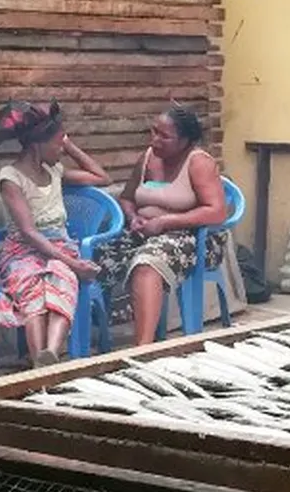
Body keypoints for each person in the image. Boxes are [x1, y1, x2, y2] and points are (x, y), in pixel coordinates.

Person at [94, 105, 229, 345]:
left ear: (185, 140)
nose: (155, 140)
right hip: (145, 232)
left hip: (194, 238)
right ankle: (87, 339)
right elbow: (126, 197)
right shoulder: (148, 158)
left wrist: (166, 221)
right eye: (154, 131)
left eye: (164, 136)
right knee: (95, 257)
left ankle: (143, 349)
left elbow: (217, 211)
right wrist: (133, 216)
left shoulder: (198, 163)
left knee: (147, 263)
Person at [0, 100, 111, 368]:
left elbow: (102, 178)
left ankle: (51, 355)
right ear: (38, 144)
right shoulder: (10, 177)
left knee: (61, 278)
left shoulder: (55, 171)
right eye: (58, 143)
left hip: (59, 247)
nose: (61, 149)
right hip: (22, 251)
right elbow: (29, 232)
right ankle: (39, 362)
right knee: (33, 286)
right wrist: (75, 264)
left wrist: (69, 146)